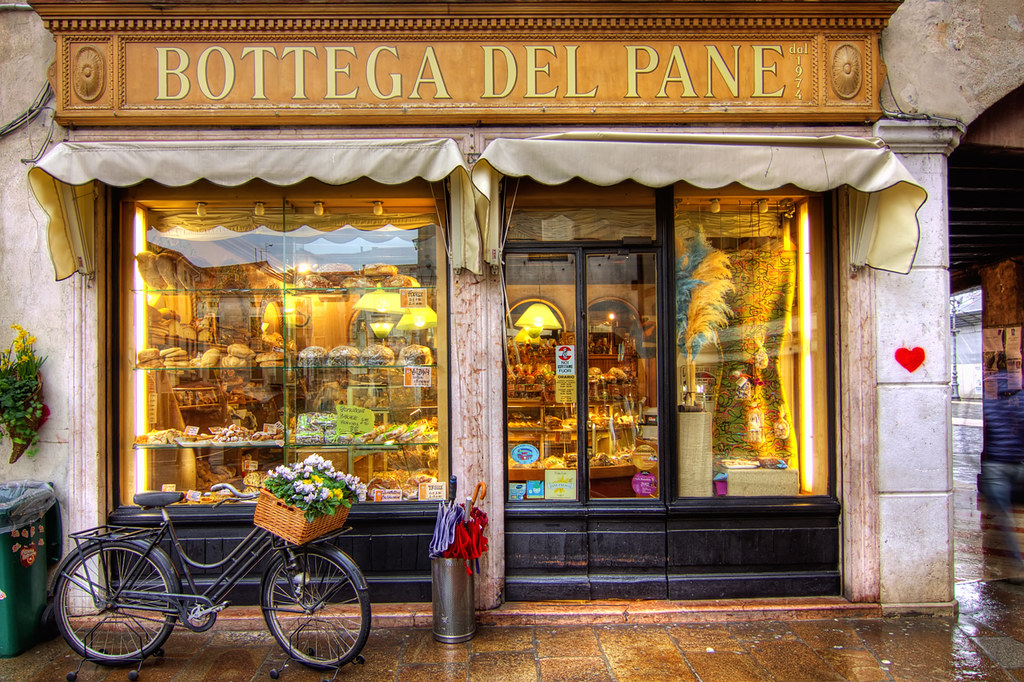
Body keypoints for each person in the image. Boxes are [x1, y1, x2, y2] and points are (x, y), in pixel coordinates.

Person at [979, 369, 1024, 583]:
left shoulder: (990, 404)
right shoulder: (1021, 401)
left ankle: (1016, 566)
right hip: (1018, 464)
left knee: (1004, 519)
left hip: (996, 466)